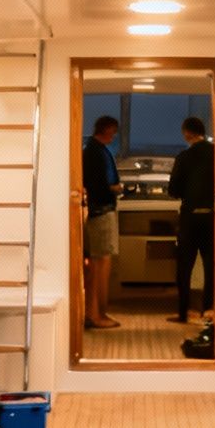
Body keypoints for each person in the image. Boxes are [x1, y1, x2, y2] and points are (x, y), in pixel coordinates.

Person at [165, 114, 215, 324]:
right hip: (213, 218)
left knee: (184, 267)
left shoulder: (184, 157)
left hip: (190, 218)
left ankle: (183, 313)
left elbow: (173, 190)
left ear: (187, 133)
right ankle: (210, 311)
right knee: (212, 266)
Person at [82, 114, 122, 330]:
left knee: (96, 265)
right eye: (114, 132)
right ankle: (96, 315)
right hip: (101, 212)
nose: (114, 136)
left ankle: (94, 312)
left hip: (96, 211)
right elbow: (101, 184)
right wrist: (115, 188)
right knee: (99, 265)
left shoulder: (92, 150)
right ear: (108, 130)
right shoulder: (97, 153)